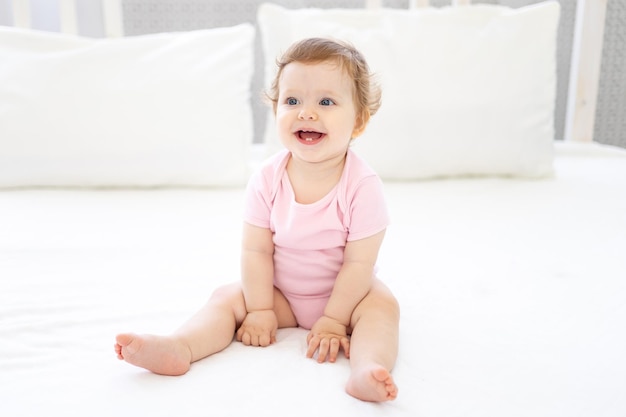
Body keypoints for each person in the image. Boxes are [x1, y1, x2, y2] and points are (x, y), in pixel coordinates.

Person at [114, 37, 400, 402]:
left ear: (358, 121)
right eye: (292, 101)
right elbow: (256, 250)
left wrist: (334, 318)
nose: (306, 112)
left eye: (326, 102)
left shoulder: (362, 186)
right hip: (280, 293)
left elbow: (360, 263)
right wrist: (262, 308)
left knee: (382, 308)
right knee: (226, 297)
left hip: (347, 296)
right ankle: (181, 346)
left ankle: (367, 367)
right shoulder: (267, 178)